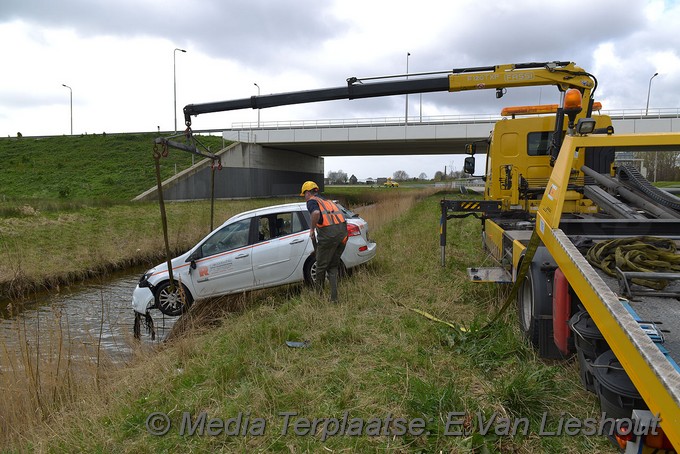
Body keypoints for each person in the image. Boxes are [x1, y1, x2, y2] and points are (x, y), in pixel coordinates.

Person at [300, 181, 347, 303]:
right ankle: (334, 298)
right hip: (342, 235)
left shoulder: (311, 201)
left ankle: (318, 297)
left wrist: (312, 229)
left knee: (320, 267)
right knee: (333, 266)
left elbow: (315, 213)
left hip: (329, 236)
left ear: (308, 192)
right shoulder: (328, 201)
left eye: (304, 194)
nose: (304, 197)